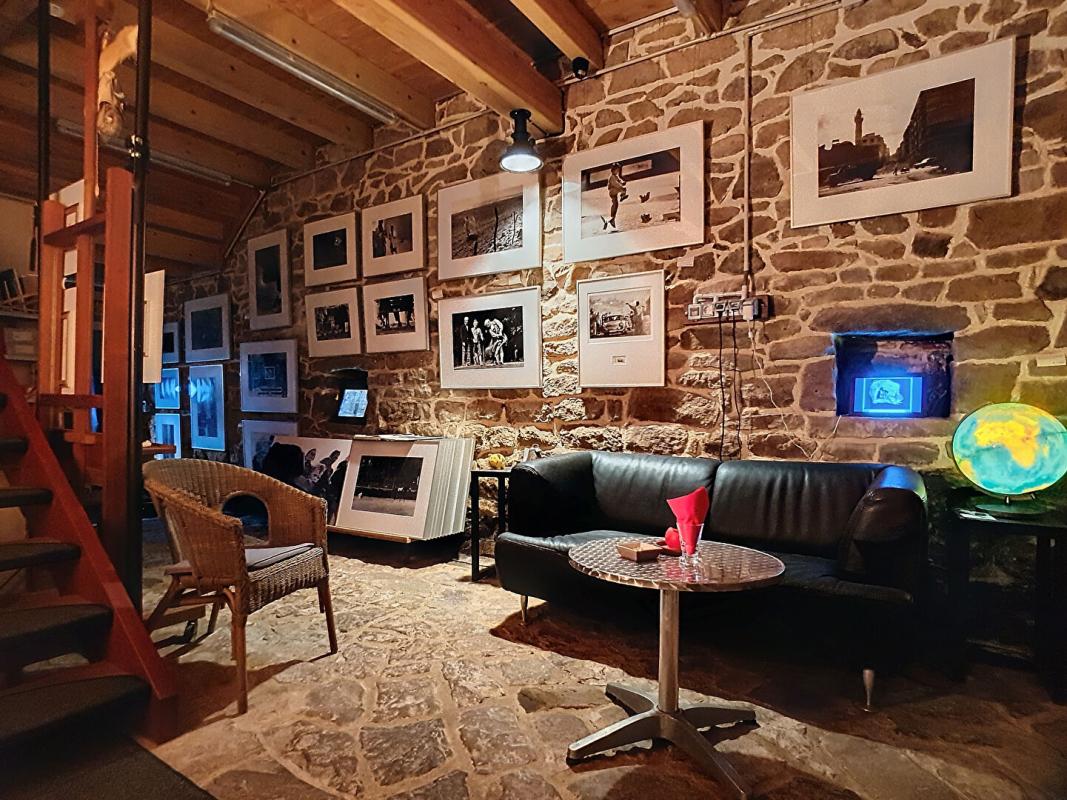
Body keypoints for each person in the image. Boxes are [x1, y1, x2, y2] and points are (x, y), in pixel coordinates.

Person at [602, 163, 628, 231]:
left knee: (615, 204)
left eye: (618, 170)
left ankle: (612, 219)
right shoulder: (612, 177)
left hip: (615, 191)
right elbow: (616, 184)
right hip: (612, 191)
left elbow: (619, 180)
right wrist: (621, 187)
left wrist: (622, 182)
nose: (617, 171)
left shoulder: (615, 176)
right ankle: (622, 195)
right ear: (613, 170)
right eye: (617, 170)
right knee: (622, 190)